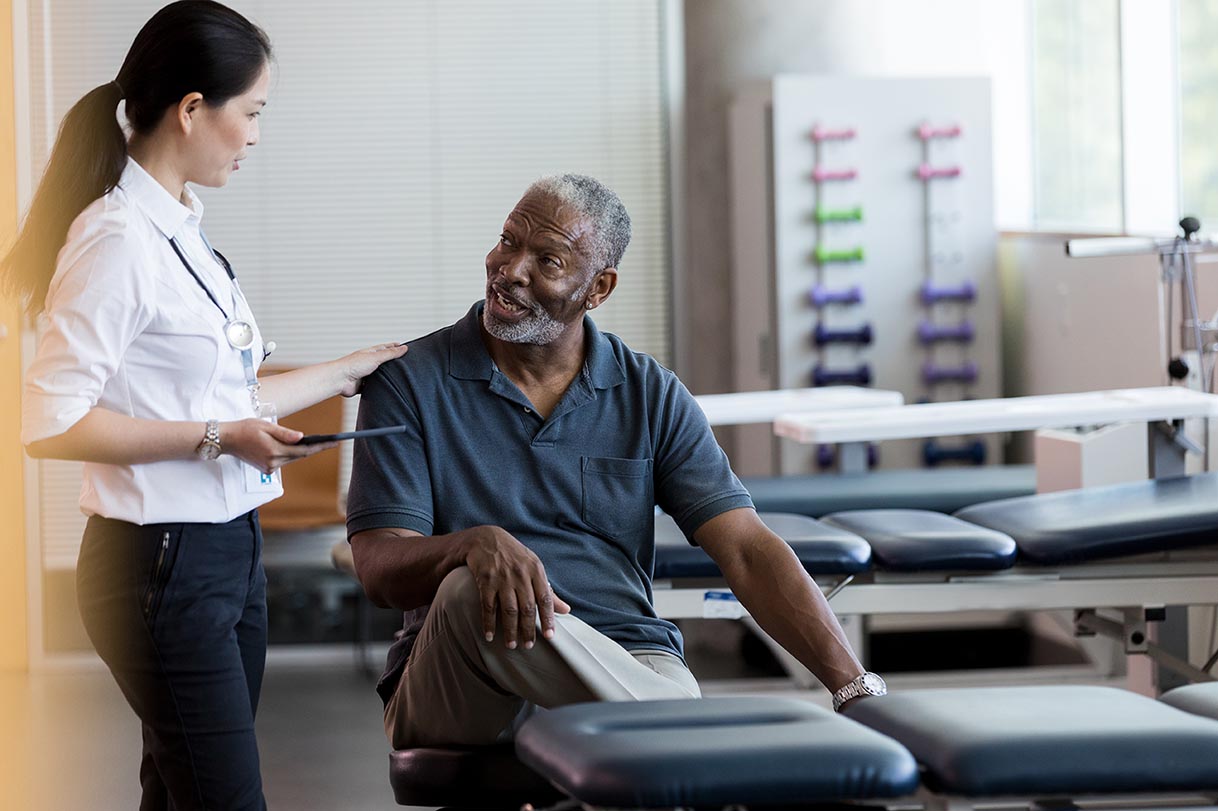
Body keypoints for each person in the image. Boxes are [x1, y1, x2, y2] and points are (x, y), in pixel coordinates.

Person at [1, 2, 407, 808]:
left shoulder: (181, 230)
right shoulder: (116, 240)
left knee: (180, 788)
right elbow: (46, 422)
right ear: (193, 109)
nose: (255, 135)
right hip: (158, 564)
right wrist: (221, 437)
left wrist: (349, 370)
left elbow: (228, 397)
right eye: (250, 113)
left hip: (227, 551)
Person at [347, 173, 885, 750]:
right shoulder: (409, 381)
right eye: (508, 241)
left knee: (637, 705)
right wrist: (470, 544)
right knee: (467, 588)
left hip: (630, 656)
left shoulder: (649, 392)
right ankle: (695, 743)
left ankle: (672, 737)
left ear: (598, 288)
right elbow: (378, 566)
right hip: (461, 681)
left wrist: (854, 688)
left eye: (547, 260)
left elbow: (748, 551)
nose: (510, 270)